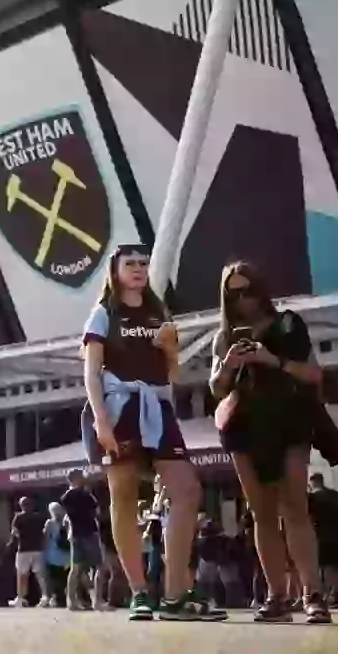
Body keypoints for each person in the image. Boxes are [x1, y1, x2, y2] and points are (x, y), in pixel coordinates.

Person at [82, 245, 222, 622]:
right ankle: (140, 593)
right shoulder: (103, 313)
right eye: (131, 264)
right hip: (117, 406)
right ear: (115, 270)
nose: (139, 269)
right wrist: (101, 422)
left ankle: (176, 592)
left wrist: (171, 350)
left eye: (144, 263)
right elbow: (91, 373)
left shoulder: (158, 311)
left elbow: (171, 375)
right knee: (123, 496)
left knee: (187, 489)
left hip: (156, 406)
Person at [209, 261, 329, 623]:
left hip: (288, 420)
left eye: (248, 290)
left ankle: (313, 595)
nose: (243, 299)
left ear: (261, 289)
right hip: (244, 425)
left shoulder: (288, 324)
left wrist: (271, 359)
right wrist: (229, 365)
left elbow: (313, 373)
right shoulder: (224, 336)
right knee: (261, 513)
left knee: (294, 506)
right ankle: (277, 596)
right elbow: (216, 389)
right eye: (234, 293)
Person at [307, 474, 338, 607]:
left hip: (320, 536)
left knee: (325, 567)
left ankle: (331, 595)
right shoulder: (337, 496)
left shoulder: (312, 498)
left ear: (311, 483)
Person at [59, 469, 101, 610]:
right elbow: (96, 512)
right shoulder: (85, 494)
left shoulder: (65, 497)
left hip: (75, 533)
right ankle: (98, 601)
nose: (84, 478)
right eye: (81, 476)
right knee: (99, 566)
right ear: (76, 478)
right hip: (89, 532)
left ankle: (71, 601)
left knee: (75, 568)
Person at [9, 496, 46, 607]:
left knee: (22, 575)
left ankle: (20, 598)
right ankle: (45, 596)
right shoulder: (38, 517)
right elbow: (43, 532)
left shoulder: (18, 517)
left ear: (21, 506)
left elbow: (14, 532)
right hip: (38, 549)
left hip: (24, 549)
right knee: (40, 575)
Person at [42, 502, 70, 608]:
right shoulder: (66, 522)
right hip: (67, 555)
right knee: (66, 577)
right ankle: (69, 598)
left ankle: (58, 598)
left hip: (53, 555)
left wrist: (44, 552)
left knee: (54, 578)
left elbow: (45, 538)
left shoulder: (49, 523)